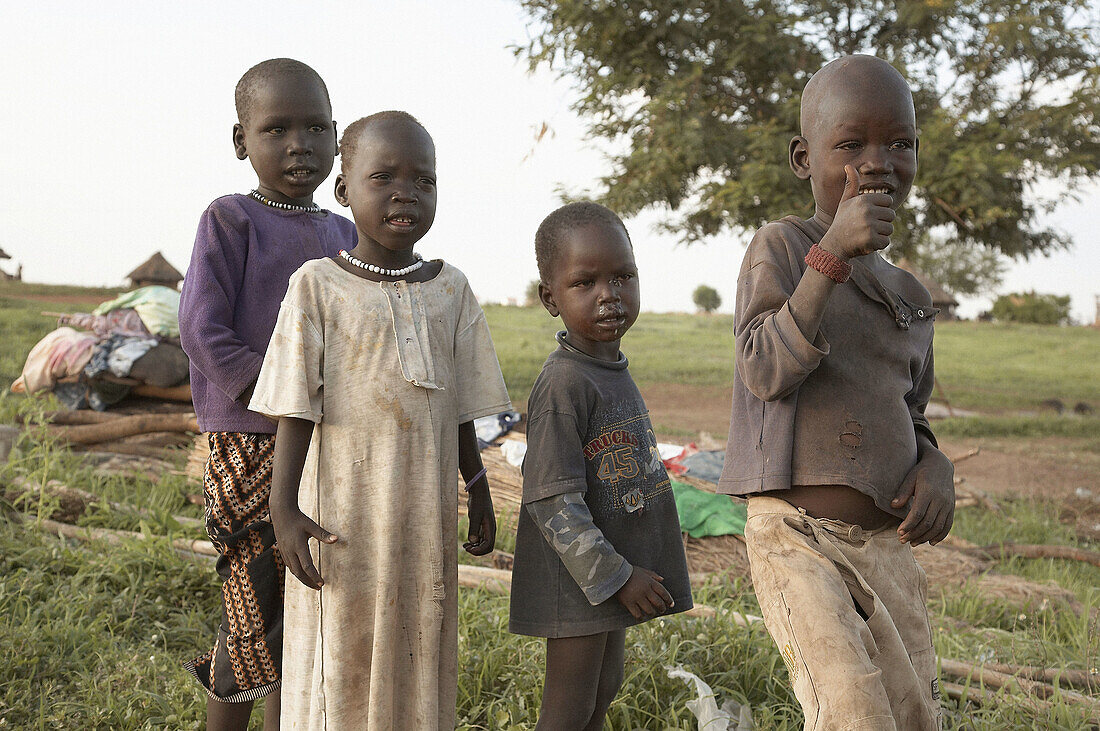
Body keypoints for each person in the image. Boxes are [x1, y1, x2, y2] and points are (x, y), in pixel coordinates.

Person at [248, 111, 511, 729]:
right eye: (383, 176)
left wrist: (477, 488)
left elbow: (460, 410)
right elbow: (294, 407)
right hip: (339, 514)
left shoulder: (453, 290)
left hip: (424, 516)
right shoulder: (318, 285)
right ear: (344, 190)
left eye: (424, 180)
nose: (405, 192)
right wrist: (282, 509)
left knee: (419, 633)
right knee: (337, 644)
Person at [718, 55, 954, 730]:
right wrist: (831, 256)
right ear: (803, 157)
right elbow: (763, 368)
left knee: (913, 712)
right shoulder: (784, 248)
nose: (878, 161)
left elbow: (911, 411)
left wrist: (934, 463)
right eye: (851, 144)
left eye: (899, 143)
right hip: (796, 536)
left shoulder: (910, 295)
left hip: (885, 545)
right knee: (851, 707)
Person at [178, 58, 355, 730]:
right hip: (249, 443)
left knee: (307, 603)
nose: (298, 144)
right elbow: (200, 328)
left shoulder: (345, 234)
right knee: (255, 612)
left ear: (337, 137)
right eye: (276, 128)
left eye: (314, 127)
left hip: (327, 446)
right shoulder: (230, 220)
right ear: (240, 140)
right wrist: (279, 391)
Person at [509, 202, 694, 730]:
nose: (609, 295)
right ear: (551, 298)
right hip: (581, 579)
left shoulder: (610, 368)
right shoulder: (565, 383)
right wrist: (617, 576)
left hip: (610, 576)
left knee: (603, 690)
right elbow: (551, 500)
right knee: (567, 710)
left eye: (622, 277)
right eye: (585, 282)